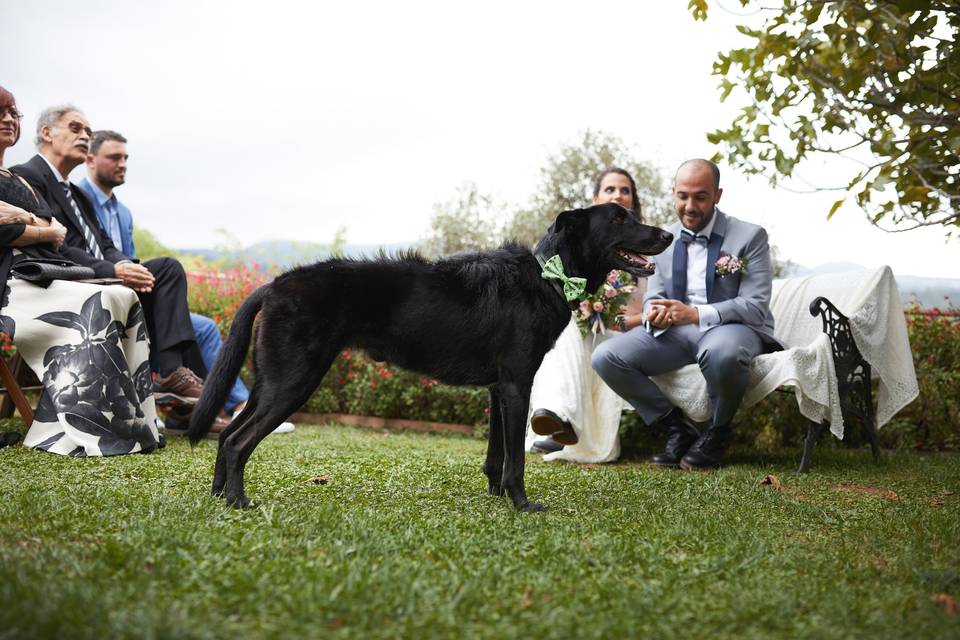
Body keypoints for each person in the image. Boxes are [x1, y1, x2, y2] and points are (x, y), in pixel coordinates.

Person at [77, 130, 293, 434]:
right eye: (114, 157)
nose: (122, 163)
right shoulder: (78, 199)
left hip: (130, 290)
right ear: (90, 159)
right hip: (99, 292)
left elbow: (131, 259)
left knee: (202, 327)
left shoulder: (122, 212)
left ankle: (228, 406)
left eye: (125, 157)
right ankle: (180, 390)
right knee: (169, 270)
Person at [0, 85, 161, 456]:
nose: (9, 119)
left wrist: (29, 224)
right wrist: (36, 227)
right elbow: (46, 230)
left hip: (40, 272)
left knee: (122, 294)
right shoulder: (30, 174)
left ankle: (138, 421)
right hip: (11, 284)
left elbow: (54, 232)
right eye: (0, 112)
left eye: (14, 113)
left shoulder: (17, 180)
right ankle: (91, 430)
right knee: (102, 298)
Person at [11, 106, 206, 409]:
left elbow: (105, 243)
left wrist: (125, 265)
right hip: (70, 281)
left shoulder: (78, 195)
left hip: (104, 275)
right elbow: (54, 248)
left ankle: (174, 379)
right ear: (47, 133)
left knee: (166, 270)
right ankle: (186, 397)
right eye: (76, 128)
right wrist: (112, 268)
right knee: (168, 298)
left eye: (88, 131)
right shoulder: (28, 176)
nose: (85, 136)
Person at [592, 158, 781, 469]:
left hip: (731, 328)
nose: (690, 206)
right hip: (676, 334)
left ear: (717, 195)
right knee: (606, 357)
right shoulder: (664, 238)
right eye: (683, 196)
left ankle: (718, 434)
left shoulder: (750, 236)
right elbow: (655, 294)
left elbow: (755, 304)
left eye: (700, 196)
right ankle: (676, 428)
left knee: (721, 353)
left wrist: (693, 313)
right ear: (673, 193)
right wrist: (655, 312)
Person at [524, 167, 647, 463]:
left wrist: (609, 317)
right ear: (595, 199)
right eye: (610, 190)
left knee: (589, 340)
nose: (617, 194)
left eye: (624, 190)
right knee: (564, 334)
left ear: (634, 200)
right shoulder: (576, 247)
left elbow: (647, 309)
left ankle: (559, 422)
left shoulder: (643, 250)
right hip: (580, 330)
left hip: (623, 332)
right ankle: (556, 419)